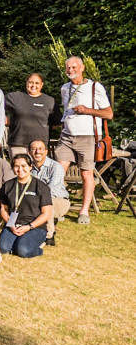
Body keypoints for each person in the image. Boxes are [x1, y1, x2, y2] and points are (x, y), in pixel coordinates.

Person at [56, 56, 112, 225]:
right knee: (58, 172)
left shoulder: (95, 87)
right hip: (66, 135)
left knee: (86, 174)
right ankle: (59, 207)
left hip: (88, 136)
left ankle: (84, 211)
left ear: (82, 68)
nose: (70, 70)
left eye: (74, 67)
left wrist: (87, 110)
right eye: (68, 68)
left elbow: (108, 114)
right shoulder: (64, 88)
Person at [0, 154, 54, 258]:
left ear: (30, 167)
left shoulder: (41, 187)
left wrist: (29, 227)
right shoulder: (8, 185)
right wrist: (10, 225)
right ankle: (19, 243)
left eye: (24, 166)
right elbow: (3, 209)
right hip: (13, 225)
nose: (20, 169)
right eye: (16, 166)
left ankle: (38, 248)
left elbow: (46, 214)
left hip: (34, 226)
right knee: (3, 249)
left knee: (23, 251)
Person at [5, 73, 56, 155]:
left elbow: (57, 122)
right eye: (31, 82)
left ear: (42, 85)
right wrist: (2, 117)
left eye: (37, 83)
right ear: (26, 83)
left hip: (39, 146)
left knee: (37, 168)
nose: (33, 85)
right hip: (18, 144)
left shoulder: (49, 101)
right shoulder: (15, 97)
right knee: (19, 167)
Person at [28, 139, 67, 246]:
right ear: (29, 152)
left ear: (46, 151)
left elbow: (51, 189)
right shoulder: (28, 168)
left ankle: (49, 235)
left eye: (40, 148)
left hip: (58, 200)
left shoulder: (55, 167)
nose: (37, 152)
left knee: (47, 203)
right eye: (34, 149)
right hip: (35, 199)